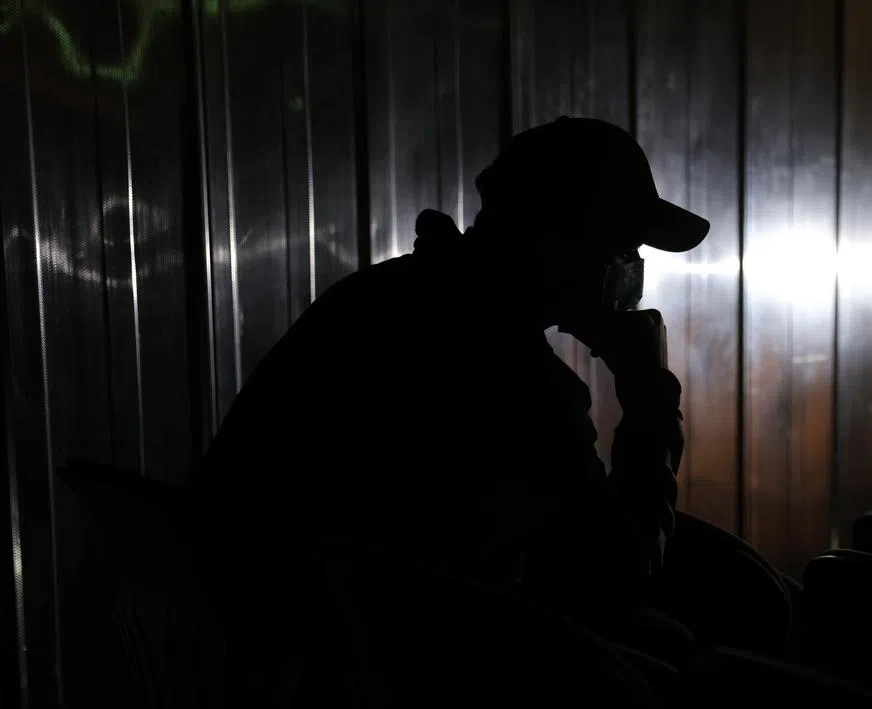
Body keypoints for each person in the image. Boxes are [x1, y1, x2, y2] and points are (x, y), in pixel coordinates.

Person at [190, 116, 710, 647]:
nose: (630, 272)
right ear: (564, 239)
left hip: (244, 645)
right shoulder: (512, 376)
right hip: (359, 673)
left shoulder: (385, 294)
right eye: (622, 250)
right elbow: (616, 575)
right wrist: (648, 388)